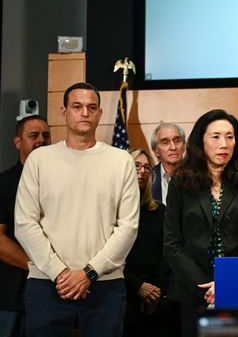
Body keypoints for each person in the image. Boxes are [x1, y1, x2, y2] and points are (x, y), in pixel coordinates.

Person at [15, 82, 140, 337]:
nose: (85, 113)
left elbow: (128, 227)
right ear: (64, 111)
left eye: (91, 107)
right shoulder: (39, 160)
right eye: (77, 106)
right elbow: (24, 223)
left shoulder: (122, 161)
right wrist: (60, 272)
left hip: (104, 284)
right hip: (47, 283)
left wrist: (89, 272)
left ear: (99, 114)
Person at [164, 109, 238, 337]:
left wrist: (228, 280)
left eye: (230, 137)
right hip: (193, 291)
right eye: (216, 137)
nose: (224, 144)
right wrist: (207, 287)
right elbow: (172, 244)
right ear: (200, 141)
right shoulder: (180, 182)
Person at [0, 115, 51, 337]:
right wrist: (39, 268)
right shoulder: (3, 183)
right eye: (34, 135)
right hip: (11, 296)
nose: (41, 140)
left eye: (46, 136)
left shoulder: (61, 183)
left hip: (53, 296)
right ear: (18, 142)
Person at [123, 148, 175, 337]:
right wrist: (138, 287)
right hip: (123, 297)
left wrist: (153, 292)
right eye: (136, 165)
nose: (142, 171)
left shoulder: (160, 211)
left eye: (147, 167)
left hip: (157, 298)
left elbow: (168, 254)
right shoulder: (111, 212)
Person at [151, 123, 186, 204]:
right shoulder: (148, 178)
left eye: (177, 141)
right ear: (156, 151)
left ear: (184, 146)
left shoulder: (197, 176)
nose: (173, 147)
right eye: (165, 142)